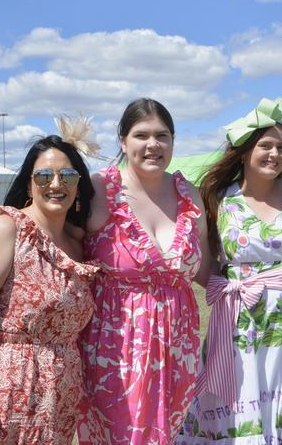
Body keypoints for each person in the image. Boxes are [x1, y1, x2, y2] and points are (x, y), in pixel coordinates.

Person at [176, 95, 282, 444]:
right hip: (238, 321)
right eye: (266, 145)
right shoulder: (219, 198)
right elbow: (206, 260)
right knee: (239, 408)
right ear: (244, 152)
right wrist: (231, 287)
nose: (275, 154)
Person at [0, 128, 99, 445]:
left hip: (59, 401)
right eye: (44, 175)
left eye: (67, 176)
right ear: (30, 183)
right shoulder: (6, 229)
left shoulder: (76, 242)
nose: (56, 184)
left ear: (79, 184)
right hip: (6, 394)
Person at [77, 98, 211, 444]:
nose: (153, 145)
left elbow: (207, 270)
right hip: (114, 350)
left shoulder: (189, 195)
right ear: (123, 141)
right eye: (141, 135)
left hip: (178, 348)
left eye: (162, 136)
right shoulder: (97, 190)